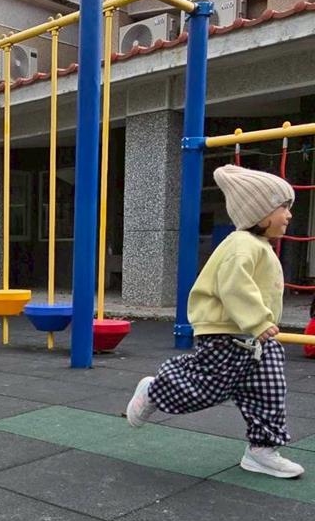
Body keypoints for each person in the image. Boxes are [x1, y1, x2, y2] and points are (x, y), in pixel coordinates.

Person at [126, 163, 304, 479]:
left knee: (270, 391)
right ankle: (156, 389)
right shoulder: (241, 245)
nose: (289, 215)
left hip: (255, 341)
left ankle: (262, 450)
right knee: (205, 389)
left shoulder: (259, 245)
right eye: (283, 207)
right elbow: (234, 286)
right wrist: (259, 321)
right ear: (261, 213)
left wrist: (260, 327)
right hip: (227, 335)